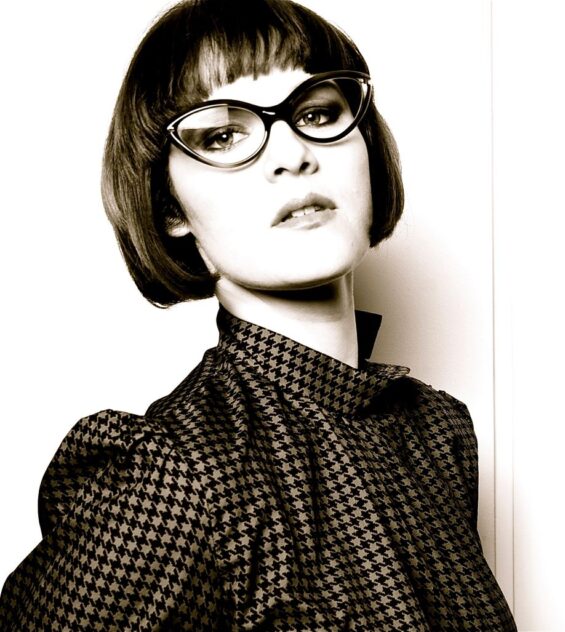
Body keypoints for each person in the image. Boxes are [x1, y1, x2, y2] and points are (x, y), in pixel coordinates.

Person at [0, 0, 516, 628]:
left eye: (317, 113)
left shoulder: (437, 433)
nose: (291, 154)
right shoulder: (170, 476)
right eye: (223, 136)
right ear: (171, 207)